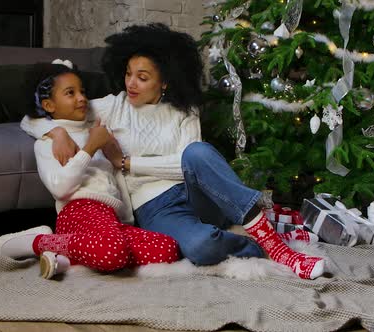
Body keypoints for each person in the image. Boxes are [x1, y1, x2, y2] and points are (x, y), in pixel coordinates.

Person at [21, 23, 325, 280]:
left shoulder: (185, 110)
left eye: (142, 77)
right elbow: (36, 116)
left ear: (164, 81)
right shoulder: (113, 107)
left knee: (196, 152)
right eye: (128, 74)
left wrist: (127, 163)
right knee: (202, 248)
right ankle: (254, 246)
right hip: (156, 207)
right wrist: (56, 132)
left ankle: (278, 248)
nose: (131, 83)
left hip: (200, 192)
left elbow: (187, 165)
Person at [0, 64, 180, 279]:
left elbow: (113, 179)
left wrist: (125, 219)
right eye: (70, 93)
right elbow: (60, 189)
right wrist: (89, 148)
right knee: (113, 252)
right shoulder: (48, 142)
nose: (81, 98)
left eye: (82, 92)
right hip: (78, 211)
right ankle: (35, 242)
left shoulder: (95, 128)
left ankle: (64, 259)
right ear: (49, 104)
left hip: (109, 217)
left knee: (167, 247)